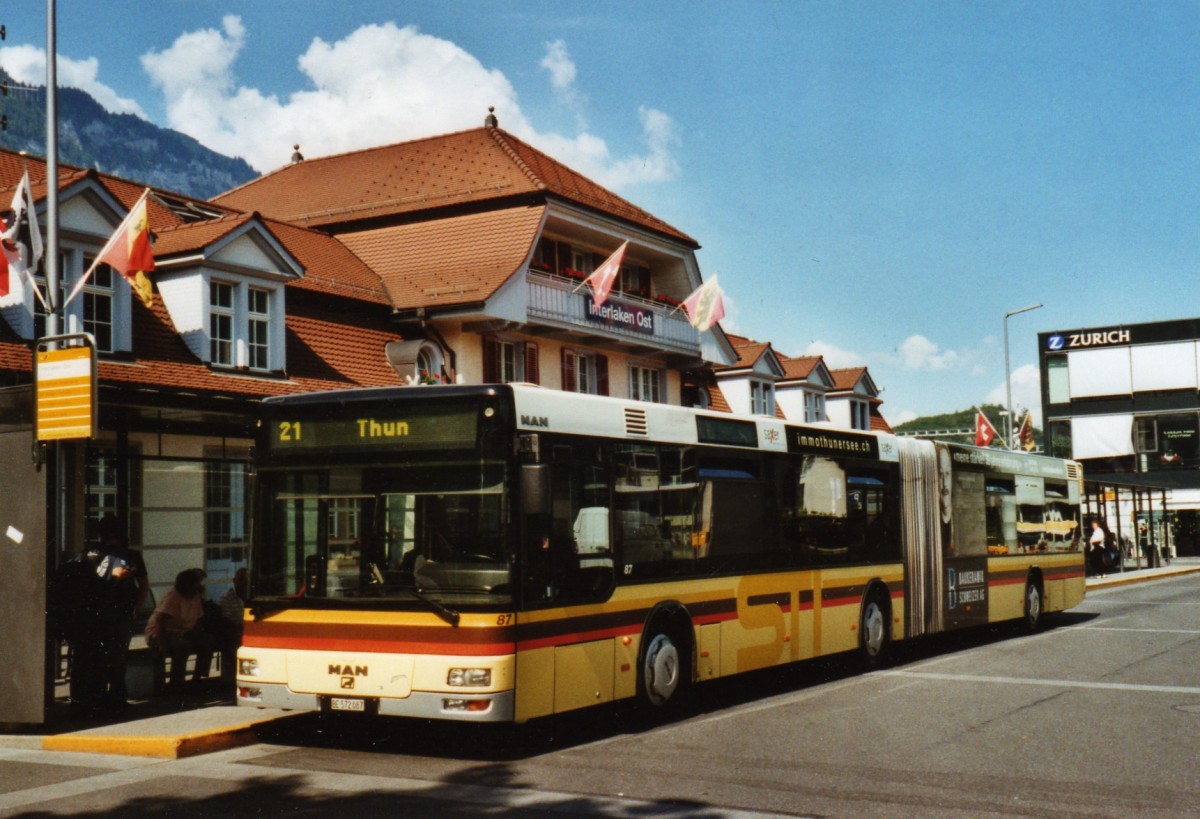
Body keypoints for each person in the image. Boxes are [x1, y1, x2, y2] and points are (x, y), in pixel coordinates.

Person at [93, 515, 149, 708]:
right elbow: (143, 586)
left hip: (99, 613)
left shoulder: (93, 554)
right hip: (122, 612)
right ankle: (116, 696)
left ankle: (100, 696)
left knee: (100, 656)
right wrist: (136, 608)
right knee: (117, 657)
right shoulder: (132, 557)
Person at [49, 543, 108, 718]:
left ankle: (80, 699)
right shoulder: (87, 573)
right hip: (86, 622)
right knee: (88, 661)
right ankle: (87, 699)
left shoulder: (68, 569)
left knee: (81, 662)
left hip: (73, 622)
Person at [145, 569, 216, 693]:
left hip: (183, 631)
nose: (200, 585)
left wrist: (199, 636)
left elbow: (199, 619)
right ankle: (176, 683)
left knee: (207, 641)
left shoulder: (195, 596)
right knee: (181, 646)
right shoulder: (173, 596)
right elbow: (160, 621)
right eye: (197, 583)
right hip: (161, 632)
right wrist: (162, 645)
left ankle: (197, 678)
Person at [216, 568, 248, 680]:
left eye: (247, 580)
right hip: (233, 631)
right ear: (234, 581)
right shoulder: (226, 597)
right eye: (241, 580)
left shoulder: (252, 597)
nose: (244, 583)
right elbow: (226, 621)